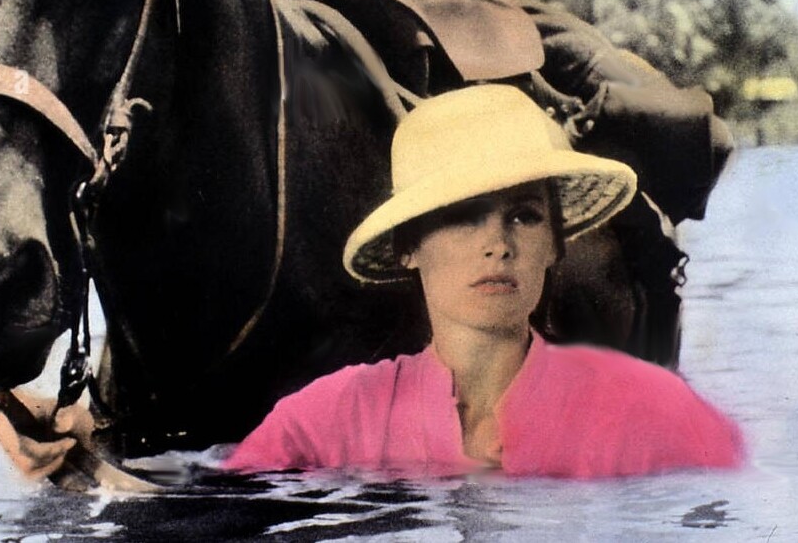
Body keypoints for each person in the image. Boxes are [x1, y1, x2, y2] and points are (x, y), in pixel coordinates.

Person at [224, 84, 744, 477]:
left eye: (524, 216)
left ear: (555, 244)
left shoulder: (657, 411)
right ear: (408, 246)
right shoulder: (321, 423)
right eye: (462, 217)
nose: (498, 244)